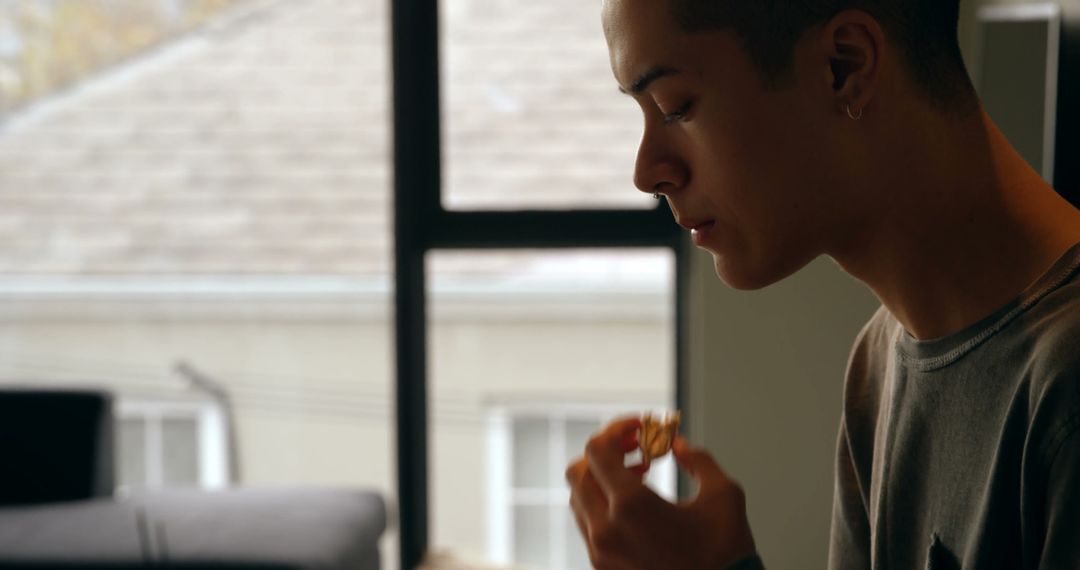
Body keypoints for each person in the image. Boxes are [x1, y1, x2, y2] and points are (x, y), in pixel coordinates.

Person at [564, 0, 1080, 568]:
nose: (647, 172)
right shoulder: (878, 366)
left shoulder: (1065, 385)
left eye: (675, 106)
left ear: (845, 65)